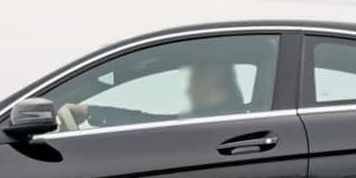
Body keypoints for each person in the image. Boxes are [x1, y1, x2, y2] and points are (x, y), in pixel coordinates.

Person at [61, 62, 245, 129]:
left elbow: (149, 123)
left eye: (194, 82)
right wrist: (91, 111)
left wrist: (90, 111)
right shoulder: (223, 121)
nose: (189, 91)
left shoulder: (216, 125)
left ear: (212, 84)